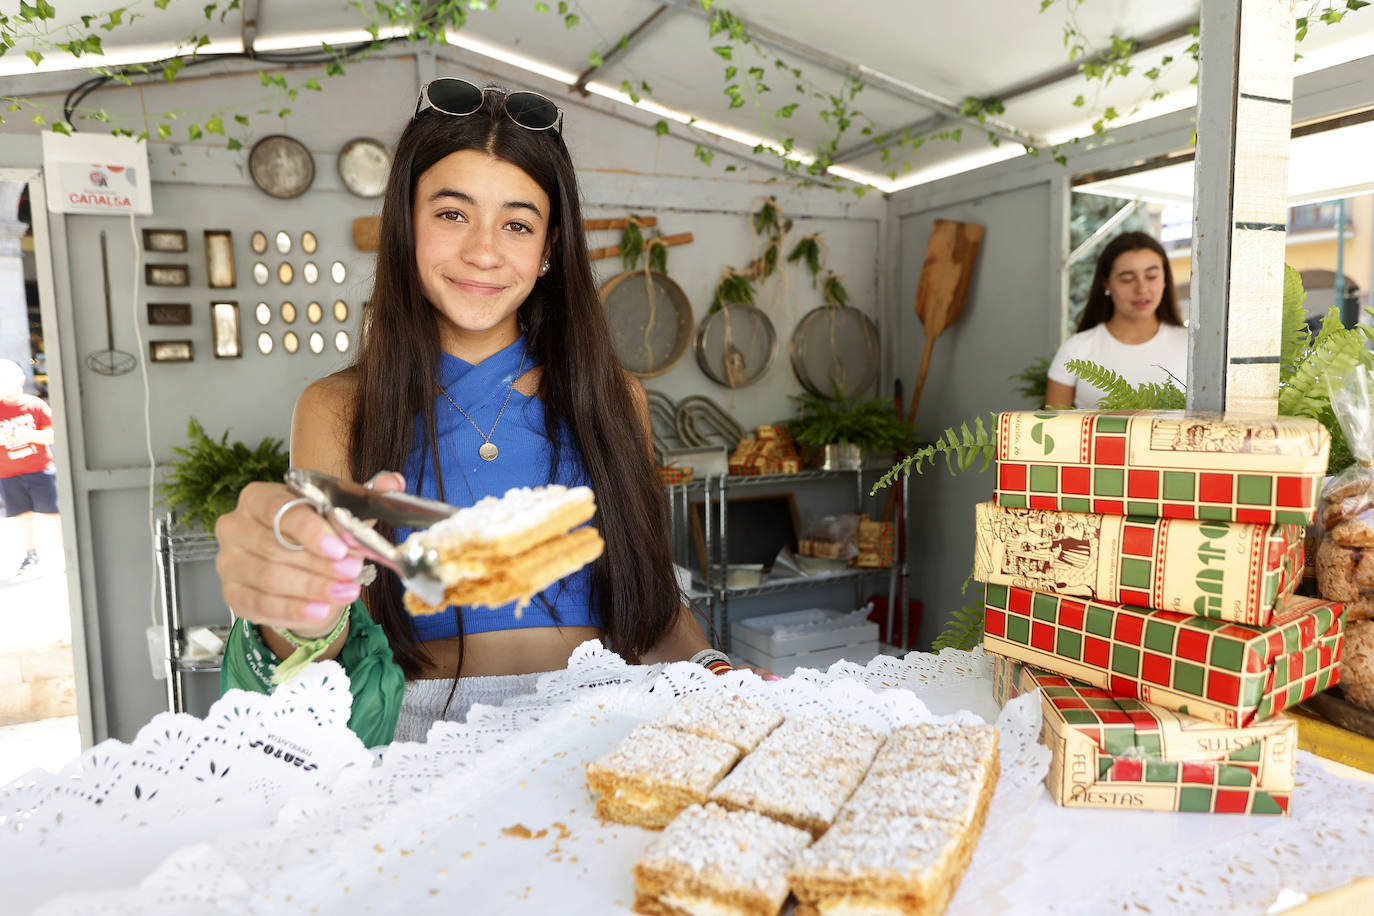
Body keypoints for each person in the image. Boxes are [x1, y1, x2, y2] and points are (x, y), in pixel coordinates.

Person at [215, 77, 748, 748]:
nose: (485, 251)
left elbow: (652, 607)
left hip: (607, 724)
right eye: (451, 213)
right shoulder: (338, 408)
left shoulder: (615, 400)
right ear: (405, 225)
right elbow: (319, 653)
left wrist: (716, 669)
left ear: (550, 247)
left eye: (518, 224)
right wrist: (290, 597)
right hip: (425, 744)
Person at [1044, 230, 1188, 409]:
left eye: (1151, 276)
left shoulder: (1191, 347)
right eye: (1127, 279)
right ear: (1106, 283)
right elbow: (1052, 429)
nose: (1141, 289)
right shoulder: (1076, 350)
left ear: (1165, 279)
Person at [0, 358, 59, 579]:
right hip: (8, 472)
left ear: (21, 381)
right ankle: (30, 553)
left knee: (52, 513)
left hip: (40, 468)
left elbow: (52, 434)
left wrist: (26, 435)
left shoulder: (36, 405)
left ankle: (64, 553)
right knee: (20, 514)